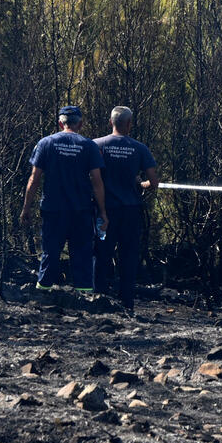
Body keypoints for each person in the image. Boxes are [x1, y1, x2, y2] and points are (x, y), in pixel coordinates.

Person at [20, 106, 108, 292]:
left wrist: (26, 207)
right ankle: (84, 297)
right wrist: (102, 212)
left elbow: (34, 179)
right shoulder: (89, 146)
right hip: (81, 210)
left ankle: (43, 293)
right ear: (80, 124)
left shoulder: (45, 143)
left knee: (50, 253)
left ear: (60, 123)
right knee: (82, 254)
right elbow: (97, 182)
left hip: (53, 209)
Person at [93, 106, 158, 313]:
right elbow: (154, 182)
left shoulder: (97, 145)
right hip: (130, 211)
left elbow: (89, 177)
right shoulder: (139, 148)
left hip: (105, 211)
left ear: (111, 122)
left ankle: (99, 300)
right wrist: (142, 184)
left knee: (101, 253)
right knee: (128, 256)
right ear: (129, 124)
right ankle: (127, 303)